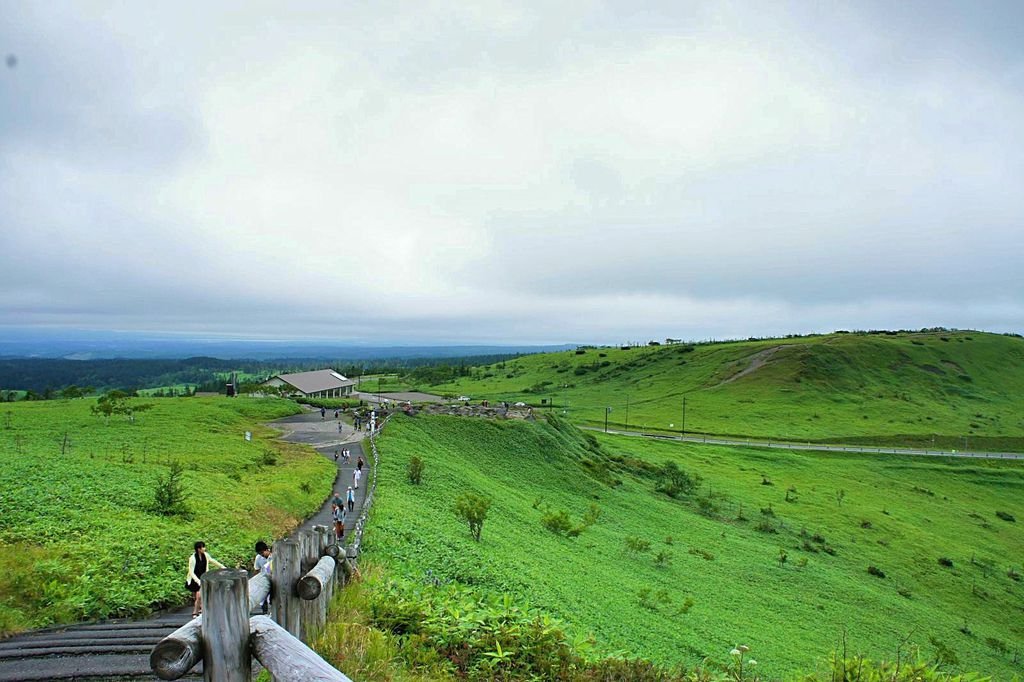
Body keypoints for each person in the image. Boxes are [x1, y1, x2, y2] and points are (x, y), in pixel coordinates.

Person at [186, 541, 225, 618]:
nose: (204, 549)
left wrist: (222, 567)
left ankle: (199, 610)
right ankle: (197, 611)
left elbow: (212, 561)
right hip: (195, 579)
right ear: (198, 549)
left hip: (203, 577)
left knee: (200, 595)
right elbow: (191, 571)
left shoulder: (205, 555)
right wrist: (198, 581)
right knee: (198, 596)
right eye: (202, 547)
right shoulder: (193, 558)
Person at [253, 541, 272, 613]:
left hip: (274, 579)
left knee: (272, 598)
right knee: (263, 598)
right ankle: (264, 612)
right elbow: (256, 570)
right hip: (264, 579)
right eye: (259, 554)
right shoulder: (258, 558)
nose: (261, 555)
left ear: (267, 550)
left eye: (262, 553)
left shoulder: (274, 556)